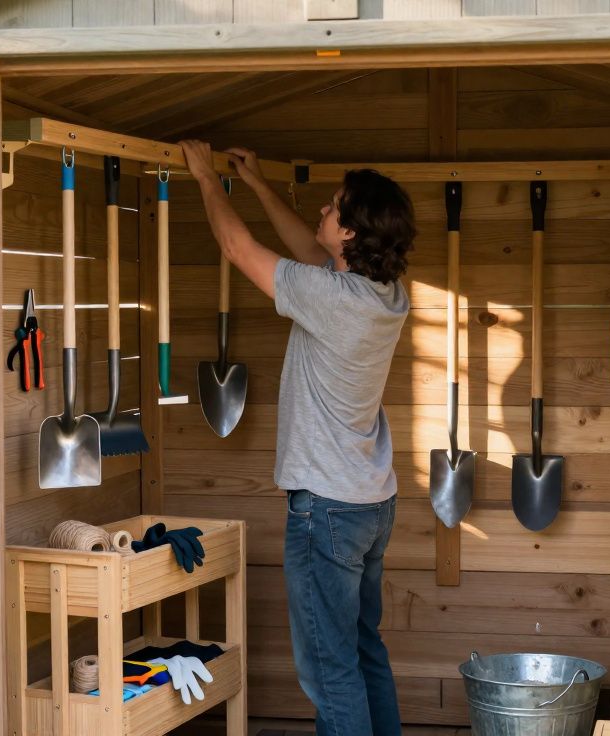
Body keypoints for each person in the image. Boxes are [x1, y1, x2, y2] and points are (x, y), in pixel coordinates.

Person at [179, 140, 416, 736]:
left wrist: (206, 178)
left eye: (332, 209)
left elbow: (238, 248)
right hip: (371, 502)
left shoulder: (332, 300)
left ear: (352, 236)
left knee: (329, 671)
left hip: (327, 512)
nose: (321, 214)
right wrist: (256, 184)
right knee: (363, 651)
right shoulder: (386, 296)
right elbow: (311, 250)